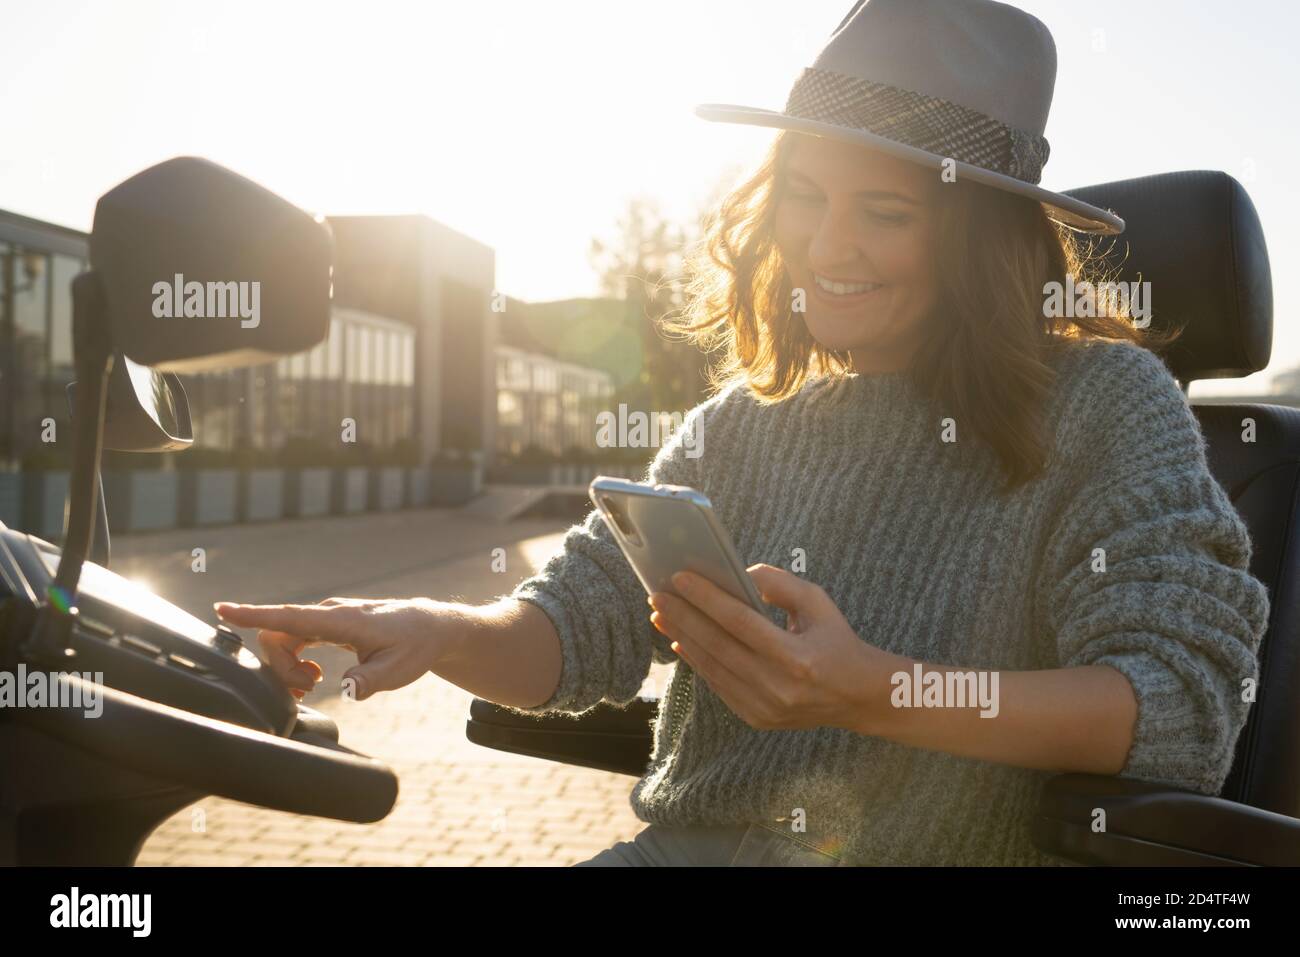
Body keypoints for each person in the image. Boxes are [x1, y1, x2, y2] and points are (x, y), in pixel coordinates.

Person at [216, 0, 1270, 866]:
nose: (825, 243)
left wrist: (876, 692)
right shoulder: (739, 427)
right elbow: (576, 631)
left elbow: (1177, 709)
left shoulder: (1106, 404)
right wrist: (437, 628)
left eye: (885, 212)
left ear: (981, 236)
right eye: (803, 196)